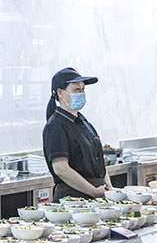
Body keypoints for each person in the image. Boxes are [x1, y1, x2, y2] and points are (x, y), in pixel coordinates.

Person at [42, 67, 111, 201]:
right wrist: (93, 191)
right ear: (60, 93)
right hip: (73, 200)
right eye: (76, 90)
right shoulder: (55, 126)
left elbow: (99, 162)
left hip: (97, 198)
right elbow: (61, 169)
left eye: (83, 89)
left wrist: (109, 188)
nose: (81, 93)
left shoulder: (84, 123)